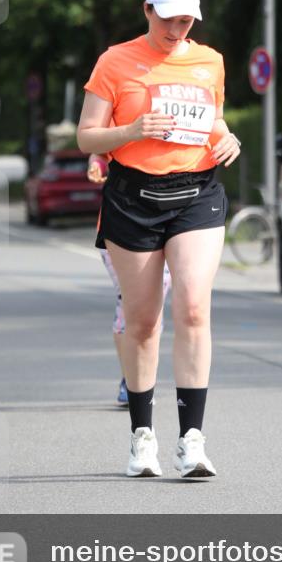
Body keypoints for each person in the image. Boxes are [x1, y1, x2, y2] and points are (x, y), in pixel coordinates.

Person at [77, 0, 240, 478]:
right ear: (147, 10)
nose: (176, 30)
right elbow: (86, 136)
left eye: (186, 21)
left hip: (197, 195)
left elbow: (212, 120)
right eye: (168, 19)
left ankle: (192, 441)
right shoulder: (115, 61)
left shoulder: (209, 61)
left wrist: (227, 137)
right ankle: (142, 437)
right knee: (144, 321)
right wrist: (130, 130)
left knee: (192, 306)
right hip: (133, 198)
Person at [87, 152, 172, 406]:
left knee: (152, 304)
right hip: (121, 229)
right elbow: (100, 146)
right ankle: (130, 379)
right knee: (131, 302)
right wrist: (96, 164)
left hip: (171, 225)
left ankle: (142, 379)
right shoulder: (127, 126)